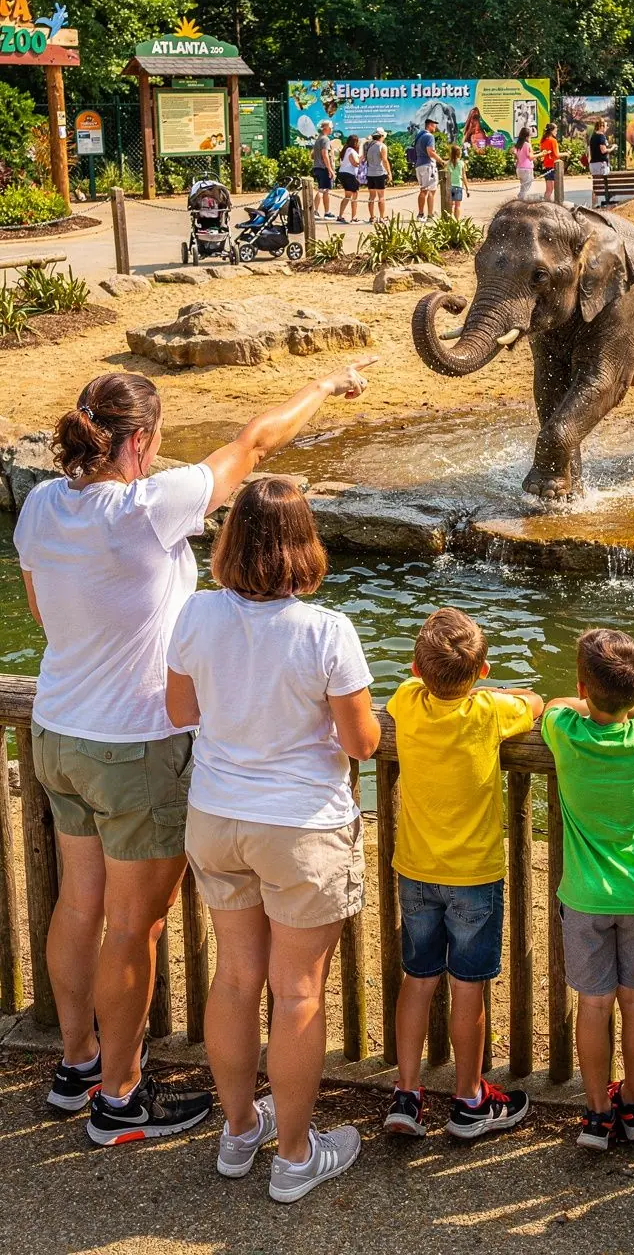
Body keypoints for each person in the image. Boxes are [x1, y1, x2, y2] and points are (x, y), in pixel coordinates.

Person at [13, 359, 376, 1146]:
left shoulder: (40, 503)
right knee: (130, 926)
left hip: (58, 729)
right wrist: (324, 386)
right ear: (139, 442)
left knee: (78, 902)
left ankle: (77, 1065)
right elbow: (256, 443)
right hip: (133, 746)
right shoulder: (150, 504)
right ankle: (119, 1098)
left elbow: (43, 612)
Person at [167, 476, 381, 1201]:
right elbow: (361, 744)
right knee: (296, 993)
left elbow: (180, 709)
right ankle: (294, 1156)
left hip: (217, 816)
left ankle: (238, 1130)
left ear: (232, 541)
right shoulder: (326, 631)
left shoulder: (196, 613)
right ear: (304, 544)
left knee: (235, 978)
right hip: (299, 827)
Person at [383, 608, 542, 1140]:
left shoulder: (406, 701)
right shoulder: (490, 711)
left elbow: (408, 688)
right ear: (483, 672)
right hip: (473, 876)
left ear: (416, 669)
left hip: (416, 870)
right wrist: (497, 690)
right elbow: (535, 703)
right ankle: (469, 1100)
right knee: (468, 987)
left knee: (418, 979)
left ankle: (407, 1095)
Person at [541, 628, 634, 1152]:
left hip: (585, 898)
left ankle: (597, 1115)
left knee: (594, 1004)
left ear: (584, 687)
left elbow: (551, 705)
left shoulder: (565, 730)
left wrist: (585, 702)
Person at [415, 117, 444, 221]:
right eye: (434, 125)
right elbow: (430, 152)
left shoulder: (419, 136)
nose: (435, 127)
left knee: (423, 190)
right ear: (430, 125)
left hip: (419, 165)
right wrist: (441, 161)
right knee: (431, 191)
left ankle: (420, 214)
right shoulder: (429, 136)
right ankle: (430, 215)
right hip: (428, 165)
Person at [365, 127, 392, 224]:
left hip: (370, 173)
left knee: (371, 196)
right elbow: (384, 160)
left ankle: (372, 217)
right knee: (381, 196)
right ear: (381, 136)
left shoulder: (369, 146)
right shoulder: (382, 146)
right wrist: (389, 173)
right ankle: (382, 217)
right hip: (379, 173)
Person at [312, 119, 335, 220]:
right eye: (331, 127)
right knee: (322, 190)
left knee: (324, 190)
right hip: (323, 168)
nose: (332, 129)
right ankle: (315, 211)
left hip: (317, 167)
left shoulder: (318, 139)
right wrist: (330, 169)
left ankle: (326, 212)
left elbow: (312, 155)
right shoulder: (325, 139)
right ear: (326, 128)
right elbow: (325, 154)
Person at [336, 134, 361, 224]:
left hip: (343, 173)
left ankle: (340, 216)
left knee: (347, 195)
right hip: (349, 174)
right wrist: (361, 159)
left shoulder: (346, 150)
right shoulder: (350, 150)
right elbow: (355, 163)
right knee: (355, 195)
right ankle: (354, 217)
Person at [589, 119, 613, 208]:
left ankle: (594, 204)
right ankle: (606, 202)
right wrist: (612, 148)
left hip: (593, 163)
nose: (607, 128)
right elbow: (603, 150)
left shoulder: (593, 136)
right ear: (601, 126)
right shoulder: (601, 136)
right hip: (601, 164)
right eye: (606, 126)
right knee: (604, 183)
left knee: (596, 185)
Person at [512, 126, 538, 199]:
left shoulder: (518, 145)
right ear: (527, 136)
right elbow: (530, 157)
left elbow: (516, 154)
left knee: (523, 188)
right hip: (527, 169)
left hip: (519, 169)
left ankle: (520, 200)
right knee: (525, 189)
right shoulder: (527, 145)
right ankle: (520, 201)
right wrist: (541, 154)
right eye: (530, 136)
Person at [447, 143, 469, 218]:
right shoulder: (461, 163)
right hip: (458, 186)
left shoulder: (449, 163)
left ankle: (451, 219)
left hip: (451, 186)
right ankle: (457, 220)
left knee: (451, 205)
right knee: (458, 205)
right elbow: (464, 176)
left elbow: (448, 176)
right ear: (459, 153)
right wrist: (467, 188)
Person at [539, 122, 560, 203]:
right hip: (552, 166)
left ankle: (545, 203)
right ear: (552, 131)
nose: (556, 132)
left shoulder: (543, 140)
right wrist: (566, 154)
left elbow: (543, 153)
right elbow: (556, 155)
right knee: (551, 189)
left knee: (548, 189)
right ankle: (548, 204)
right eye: (556, 130)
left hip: (546, 165)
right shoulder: (553, 140)